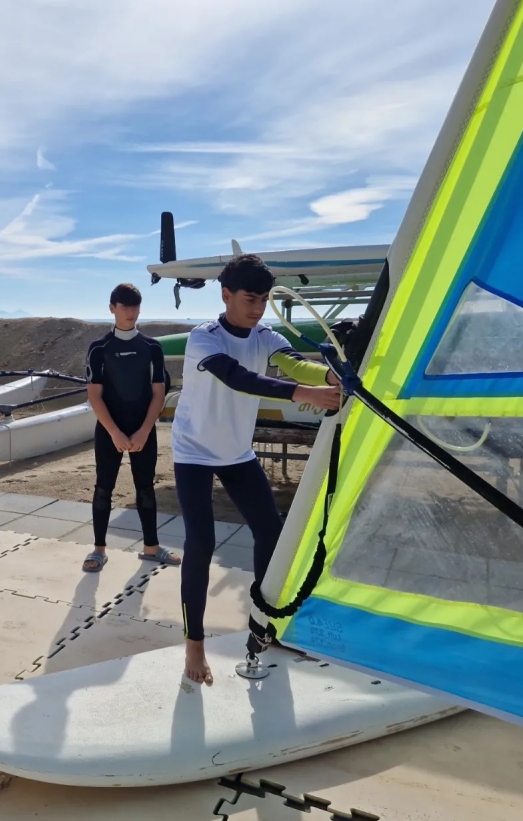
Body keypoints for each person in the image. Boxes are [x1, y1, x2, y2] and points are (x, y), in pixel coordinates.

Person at [171, 254, 341, 684]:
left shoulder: (264, 335)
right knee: (201, 542)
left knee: (272, 533)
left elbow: (294, 364)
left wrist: (329, 378)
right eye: (249, 299)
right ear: (226, 295)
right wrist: (304, 392)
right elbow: (239, 378)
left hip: (237, 453)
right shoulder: (203, 339)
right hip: (194, 452)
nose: (258, 308)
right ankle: (195, 644)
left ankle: (266, 626)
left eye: (264, 299)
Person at [82, 283, 178, 572]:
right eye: (125, 306)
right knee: (103, 488)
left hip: (143, 429)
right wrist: (114, 432)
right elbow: (94, 395)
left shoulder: (151, 347)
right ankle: (99, 550)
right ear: (112, 308)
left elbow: (158, 393)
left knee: (146, 488)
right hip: (109, 430)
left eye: (135, 306)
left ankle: (152, 547)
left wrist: (144, 430)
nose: (131, 312)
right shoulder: (99, 348)